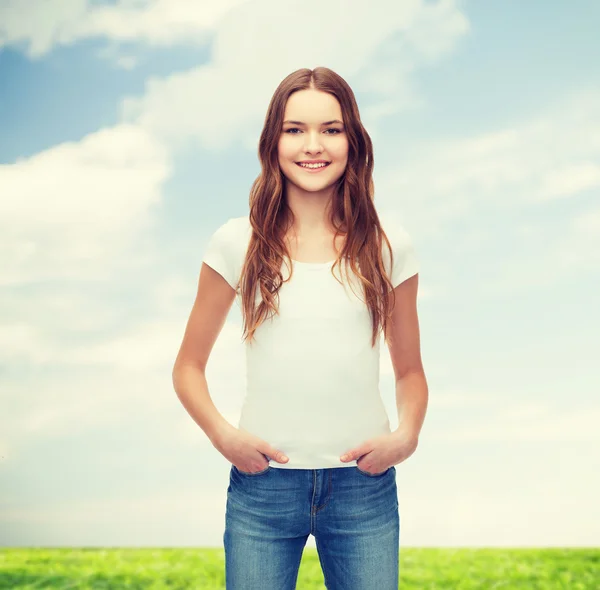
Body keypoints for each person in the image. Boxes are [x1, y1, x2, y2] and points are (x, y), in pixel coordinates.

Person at [172, 66, 428, 590]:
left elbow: (410, 373)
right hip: (262, 489)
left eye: (331, 129)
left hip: (364, 488)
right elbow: (188, 367)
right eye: (295, 129)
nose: (313, 145)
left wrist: (405, 437)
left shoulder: (389, 245)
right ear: (274, 141)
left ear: (353, 141)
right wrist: (224, 436)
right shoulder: (234, 242)